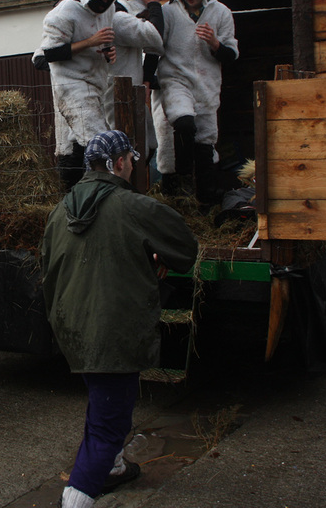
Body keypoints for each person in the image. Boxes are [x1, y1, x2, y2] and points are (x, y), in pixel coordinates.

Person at [40, 130, 198, 508]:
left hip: (72, 328)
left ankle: (112, 468)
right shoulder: (134, 206)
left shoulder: (59, 212)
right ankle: (76, 498)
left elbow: (52, 267)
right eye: (131, 160)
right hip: (113, 331)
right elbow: (185, 248)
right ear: (120, 162)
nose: (132, 167)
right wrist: (159, 255)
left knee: (102, 403)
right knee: (110, 425)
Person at [35, 0, 164, 189]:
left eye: (109, 0)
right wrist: (91, 42)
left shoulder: (109, 12)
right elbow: (48, 54)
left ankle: (74, 192)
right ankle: (100, 193)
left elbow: (99, 48)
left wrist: (107, 53)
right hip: (71, 85)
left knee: (85, 143)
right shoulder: (65, 12)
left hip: (96, 86)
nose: (104, 5)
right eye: (101, 0)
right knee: (99, 143)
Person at [158, 0, 239, 202]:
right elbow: (154, 43)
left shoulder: (221, 13)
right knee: (183, 122)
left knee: (206, 141)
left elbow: (231, 54)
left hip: (206, 84)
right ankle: (182, 181)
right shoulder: (168, 12)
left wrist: (214, 43)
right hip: (176, 79)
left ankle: (206, 202)